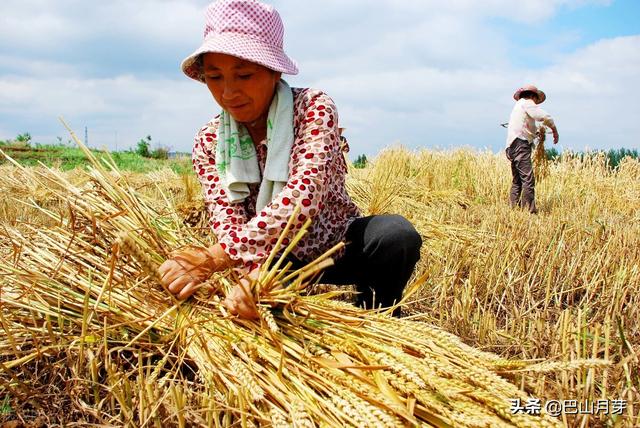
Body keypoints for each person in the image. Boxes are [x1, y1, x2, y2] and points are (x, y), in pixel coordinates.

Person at [158, 0, 422, 318]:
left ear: (274, 70)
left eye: (243, 75)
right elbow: (226, 216)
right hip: (270, 257)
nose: (228, 93)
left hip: (334, 242)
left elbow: (302, 199)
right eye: (215, 77)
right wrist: (252, 271)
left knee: (396, 237)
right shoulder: (210, 139)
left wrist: (214, 258)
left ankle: (378, 314)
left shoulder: (312, 108)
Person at [505, 84, 559, 214]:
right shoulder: (527, 103)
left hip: (511, 146)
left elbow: (526, 127)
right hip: (520, 144)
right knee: (528, 179)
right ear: (532, 95)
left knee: (517, 180)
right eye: (536, 99)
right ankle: (529, 211)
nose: (536, 103)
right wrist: (554, 129)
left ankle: (513, 209)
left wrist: (537, 133)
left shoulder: (518, 106)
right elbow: (543, 116)